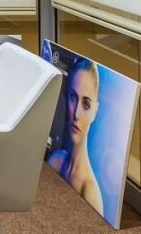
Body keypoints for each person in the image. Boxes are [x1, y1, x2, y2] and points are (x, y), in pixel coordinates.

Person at [47, 57, 104, 215]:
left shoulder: (90, 192)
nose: (76, 114)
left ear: (95, 112)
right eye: (73, 97)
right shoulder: (56, 160)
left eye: (86, 104)